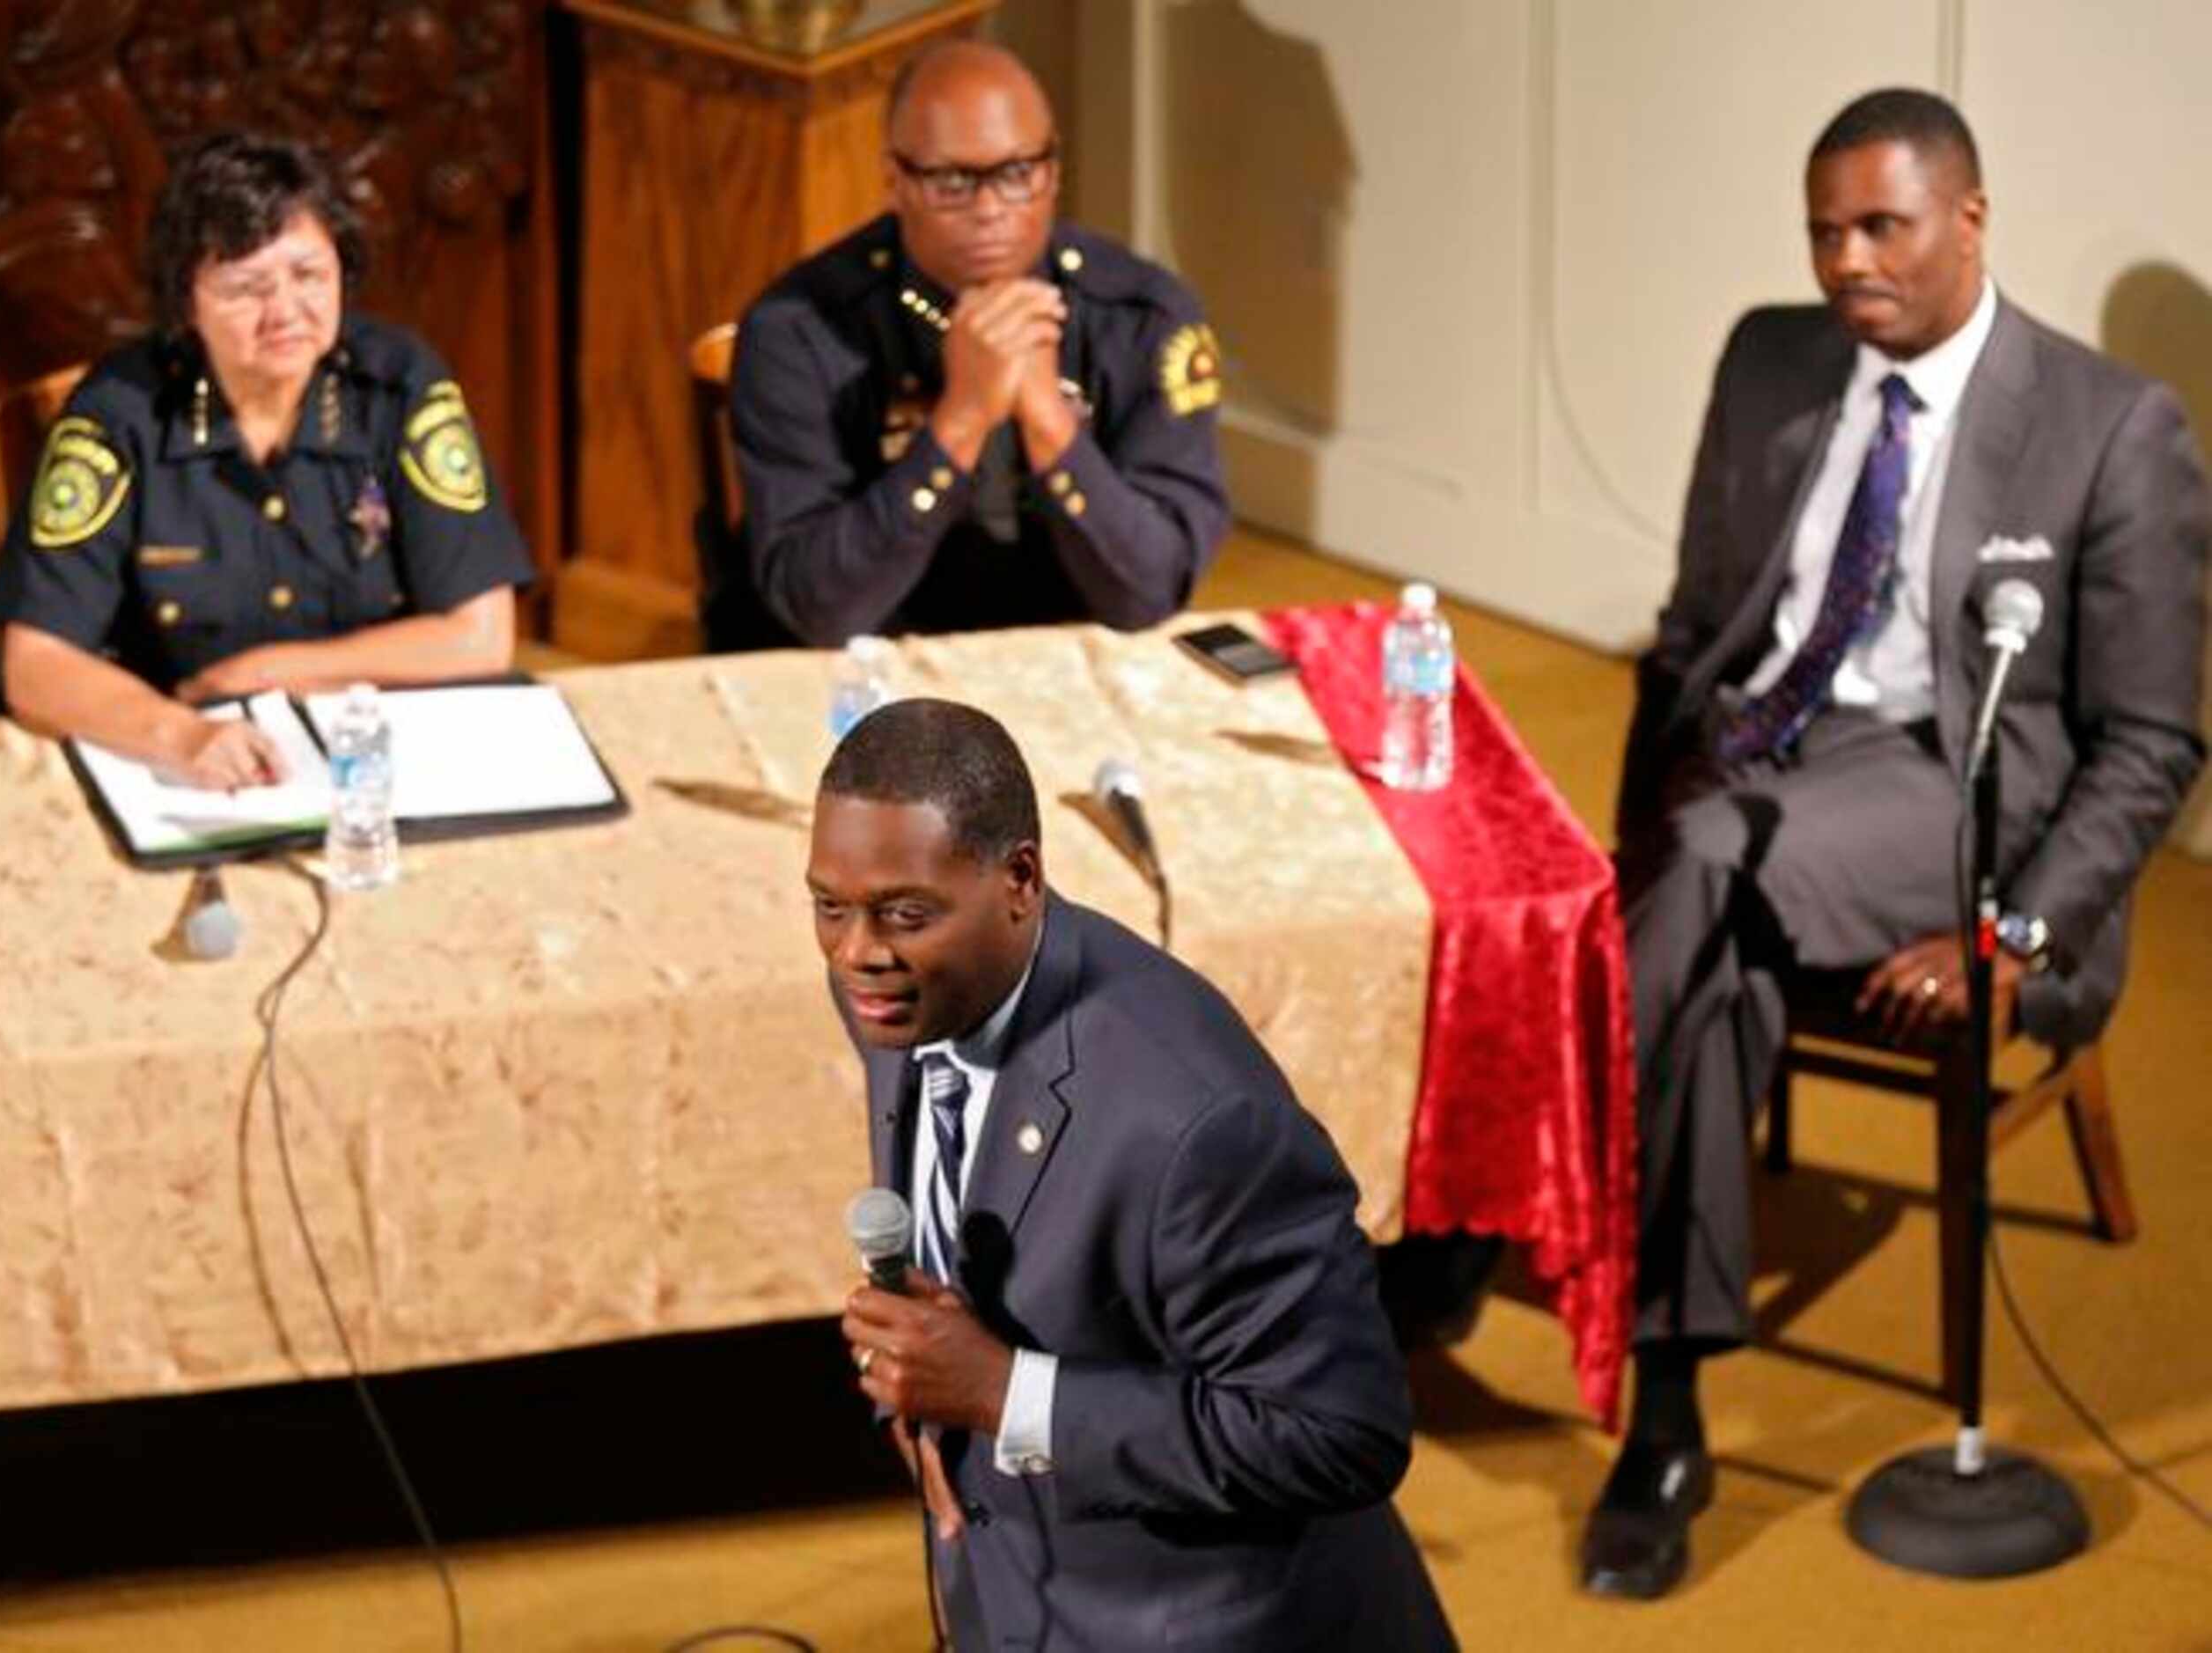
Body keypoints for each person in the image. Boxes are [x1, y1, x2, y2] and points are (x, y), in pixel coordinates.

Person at [1588, 87, 2208, 1599]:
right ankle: (1670, 1393)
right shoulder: (1768, 358)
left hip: (1954, 783)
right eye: (1822, 231)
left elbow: (2149, 743)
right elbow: (1690, 632)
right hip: (1760, 757)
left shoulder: (2106, 426)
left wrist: (2023, 933)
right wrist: (1621, 824)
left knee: (1701, 867)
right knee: (1703, 932)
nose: (1845, 262)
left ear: (1968, 219)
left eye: (1881, 225)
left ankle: (1561, 1235)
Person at [809, 699, 1457, 1651]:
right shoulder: (901, 990)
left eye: (904, 913)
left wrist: (1002, 1395)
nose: (857, 951)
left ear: (1020, 878)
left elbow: (1337, 1432)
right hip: (1011, 1584)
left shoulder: (1196, 1122)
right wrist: (925, 1397)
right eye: (829, 906)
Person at [0, 132, 533, 790]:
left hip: (361, 762)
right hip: (165, 766)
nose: (285, 314)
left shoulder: (401, 387)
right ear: (186, 304)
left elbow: (478, 635)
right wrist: (183, 734)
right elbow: (37, 666)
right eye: (245, 289)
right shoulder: (115, 415)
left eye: (308, 276)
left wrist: (265, 675)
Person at [713, 40, 1230, 651]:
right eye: (952, 182)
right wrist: (959, 422)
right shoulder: (798, 332)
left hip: (1067, 656)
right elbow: (820, 609)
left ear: (1053, 173)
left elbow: (1151, 591)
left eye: (1015, 175)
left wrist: (1049, 422)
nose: (989, 210)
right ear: (895, 181)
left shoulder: (1145, 319)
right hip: (865, 670)